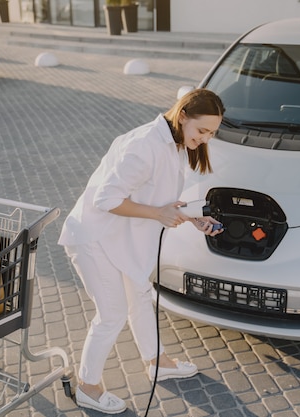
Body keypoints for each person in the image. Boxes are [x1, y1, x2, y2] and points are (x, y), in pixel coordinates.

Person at [58, 88, 225, 414]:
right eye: (202, 130)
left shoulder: (174, 142)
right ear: (182, 117)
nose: (205, 139)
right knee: (113, 314)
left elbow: (157, 198)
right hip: (93, 238)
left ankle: (157, 361)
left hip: (120, 239)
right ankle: (88, 388)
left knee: (140, 293)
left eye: (212, 134)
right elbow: (105, 199)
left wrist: (192, 219)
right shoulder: (144, 146)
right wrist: (158, 214)